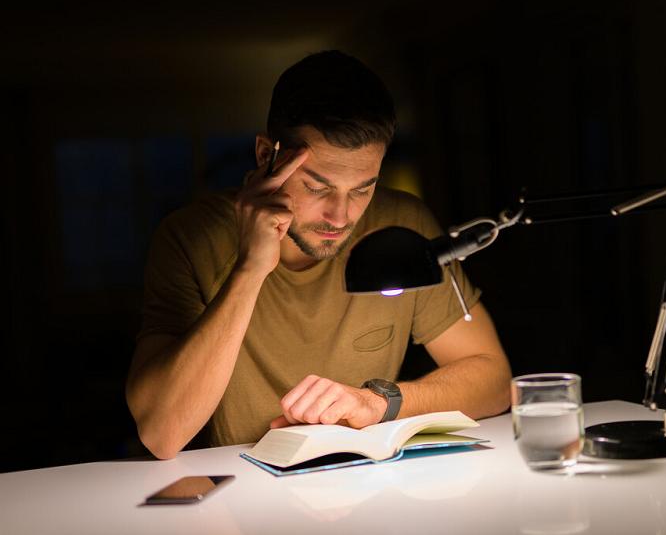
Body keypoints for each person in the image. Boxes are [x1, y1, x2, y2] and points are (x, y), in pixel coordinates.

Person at [126, 51, 511, 459]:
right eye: (316, 187)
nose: (341, 216)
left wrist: (377, 403)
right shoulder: (190, 238)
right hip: (244, 501)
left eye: (363, 188)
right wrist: (251, 268)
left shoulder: (401, 225)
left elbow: (494, 379)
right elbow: (161, 434)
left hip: (368, 493)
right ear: (266, 158)